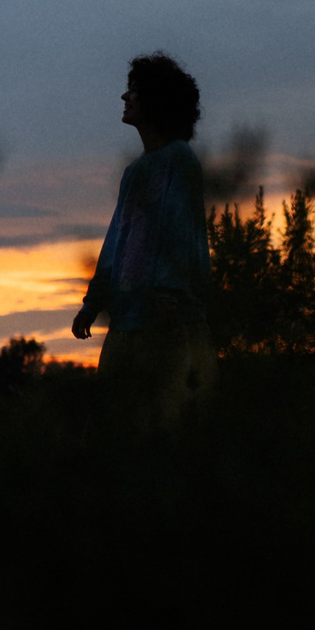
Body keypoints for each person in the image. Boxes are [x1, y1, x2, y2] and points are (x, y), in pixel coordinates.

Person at [72, 52, 215, 424]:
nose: (125, 97)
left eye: (133, 90)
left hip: (170, 322)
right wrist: (93, 302)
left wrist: (169, 292)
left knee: (167, 432)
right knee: (117, 431)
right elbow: (116, 240)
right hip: (126, 324)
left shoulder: (179, 159)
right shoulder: (135, 171)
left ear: (156, 99)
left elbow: (181, 231)